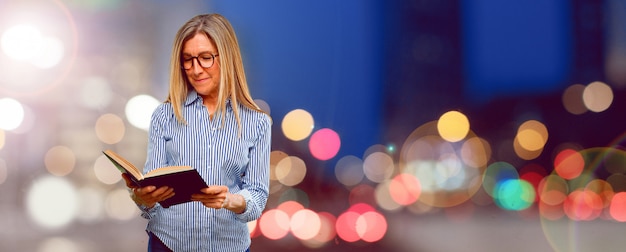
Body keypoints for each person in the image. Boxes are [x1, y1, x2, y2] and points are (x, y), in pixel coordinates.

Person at [121, 13, 271, 252]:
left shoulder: (257, 122)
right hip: (168, 244)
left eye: (205, 58)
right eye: (188, 60)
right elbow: (151, 195)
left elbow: (258, 196)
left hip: (229, 246)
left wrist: (229, 200)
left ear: (227, 57)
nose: (195, 69)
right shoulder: (164, 116)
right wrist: (143, 199)